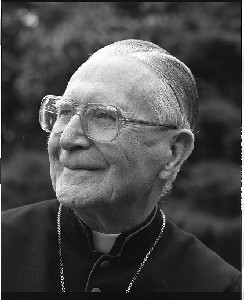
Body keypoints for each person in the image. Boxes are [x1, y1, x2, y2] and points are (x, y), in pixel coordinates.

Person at [2, 39, 241, 292]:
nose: (68, 138)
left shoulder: (218, 287)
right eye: (64, 112)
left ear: (173, 153)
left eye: (104, 116)